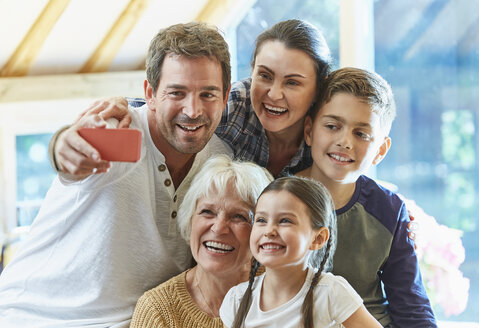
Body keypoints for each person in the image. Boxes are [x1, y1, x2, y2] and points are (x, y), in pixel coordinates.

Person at [0, 22, 232, 327]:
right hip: (34, 318)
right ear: (150, 93)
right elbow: (70, 151)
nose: (193, 109)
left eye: (208, 94)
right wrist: (63, 145)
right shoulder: (116, 129)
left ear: (226, 95)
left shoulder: (220, 160)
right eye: (177, 92)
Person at [59, 19, 332, 178]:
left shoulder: (330, 130)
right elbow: (169, 109)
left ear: (318, 89)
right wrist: (119, 105)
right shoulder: (234, 105)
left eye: (293, 82)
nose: (273, 94)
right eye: (264, 76)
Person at [297, 67, 437, 327]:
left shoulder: (389, 209)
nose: (344, 141)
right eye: (332, 126)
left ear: (380, 151)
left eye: (361, 134)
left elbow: (411, 305)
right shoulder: (274, 194)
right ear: (309, 131)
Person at [130, 155, 273, 328]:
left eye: (238, 216)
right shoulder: (157, 311)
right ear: (190, 220)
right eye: (207, 212)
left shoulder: (286, 289)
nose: (219, 228)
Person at [219, 176, 382, 328]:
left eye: (285, 221)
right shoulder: (236, 299)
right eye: (261, 220)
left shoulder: (331, 292)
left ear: (318, 239)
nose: (269, 231)